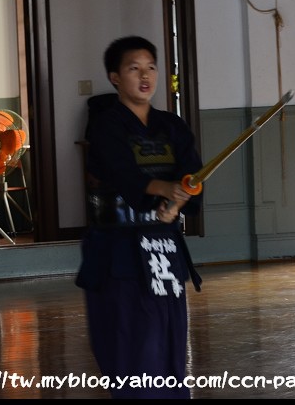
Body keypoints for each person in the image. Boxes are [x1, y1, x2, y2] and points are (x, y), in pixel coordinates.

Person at [75, 36, 204, 398]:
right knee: (131, 340)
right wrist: (165, 189)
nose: (145, 76)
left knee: (168, 338)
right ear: (115, 77)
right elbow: (123, 174)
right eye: (134, 69)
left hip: (162, 248)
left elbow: (191, 174)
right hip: (119, 250)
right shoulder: (106, 125)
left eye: (150, 67)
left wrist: (179, 201)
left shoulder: (172, 126)